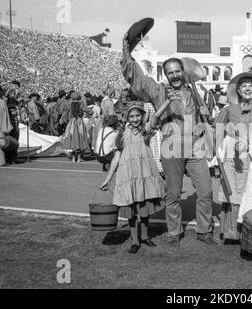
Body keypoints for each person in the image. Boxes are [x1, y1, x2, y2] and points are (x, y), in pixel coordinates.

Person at [121, 32, 215, 246]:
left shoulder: (193, 92)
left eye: (177, 71)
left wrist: (203, 119)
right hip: (171, 148)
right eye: (170, 72)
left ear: (183, 72)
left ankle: (204, 231)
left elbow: (203, 118)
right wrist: (127, 52)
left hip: (195, 148)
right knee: (173, 194)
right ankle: (174, 233)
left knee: (206, 191)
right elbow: (137, 79)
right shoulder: (158, 91)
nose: (174, 75)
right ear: (166, 74)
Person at [100, 103, 166, 254]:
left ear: (142, 116)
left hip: (144, 174)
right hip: (128, 175)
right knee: (132, 210)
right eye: (132, 116)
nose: (135, 119)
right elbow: (116, 158)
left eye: (138, 116)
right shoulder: (122, 133)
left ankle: (144, 236)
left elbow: (156, 116)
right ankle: (135, 241)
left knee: (144, 207)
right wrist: (107, 179)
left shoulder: (146, 131)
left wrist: (168, 100)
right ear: (127, 118)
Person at [214, 72, 252, 243]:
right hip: (232, 158)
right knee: (232, 195)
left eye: (250, 85)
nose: (247, 88)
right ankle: (232, 233)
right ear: (238, 90)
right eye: (243, 85)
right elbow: (217, 130)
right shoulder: (230, 109)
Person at [63, 92, 88, 163]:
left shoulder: (69, 104)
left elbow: (65, 114)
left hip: (71, 123)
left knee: (72, 140)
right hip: (80, 122)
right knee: (80, 139)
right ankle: (79, 158)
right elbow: (89, 111)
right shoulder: (81, 103)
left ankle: (74, 158)